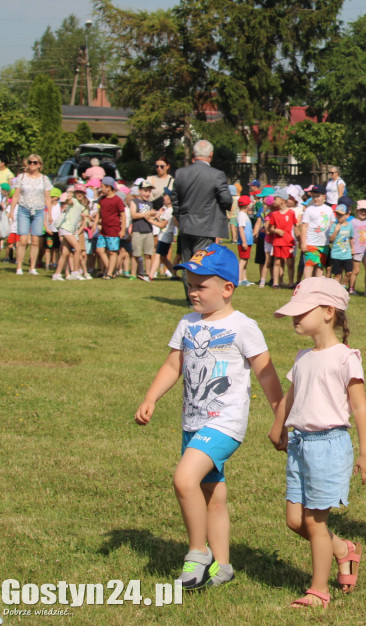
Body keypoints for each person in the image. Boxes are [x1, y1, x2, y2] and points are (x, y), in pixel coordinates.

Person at [134, 246, 285, 589]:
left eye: (201, 286)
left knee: (184, 479)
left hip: (224, 423)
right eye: (190, 283)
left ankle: (197, 554)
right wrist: (151, 397)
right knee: (211, 495)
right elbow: (174, 364)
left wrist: (281, 417)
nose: (192, 291)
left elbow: (266, 374)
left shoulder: (243, 326)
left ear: (227, 288)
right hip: (193, 421)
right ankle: (224, 567)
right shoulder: (187, 323)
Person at [271, 277, 366, 607]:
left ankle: (319, 591)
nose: (295, 318)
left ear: (329, 312)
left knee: (316, 523)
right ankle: (344, 550)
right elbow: (292, 395)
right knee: (294, 521)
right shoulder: (304, 357)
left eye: (302, 312)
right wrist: (279, 425)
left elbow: (359, 406)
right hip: (300, 445)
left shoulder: (345, 357)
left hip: (329, 446)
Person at [172, 140, 234, 301]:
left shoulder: (180, 173)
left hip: (185, 224)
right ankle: (199, 298)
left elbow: (175, 200)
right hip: (206, 226)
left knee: (187, 263)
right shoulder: (216, 175)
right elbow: (226, 200)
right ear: (211, 155)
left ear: (194, 155)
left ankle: (190, 298)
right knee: (200, 263)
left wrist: (180, 217)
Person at [8, 154, 52, 275]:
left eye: (35, 162)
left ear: (40, 165)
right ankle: (19, 267)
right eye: (30, 162)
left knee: (35, 240)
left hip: (38, 210)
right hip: (24, 209)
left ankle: (32, 267)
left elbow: (47, 198)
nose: (32, 164)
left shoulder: (44, 179)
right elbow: (16, 195)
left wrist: (50, 214)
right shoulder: (21, 177)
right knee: (22, 240)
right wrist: (11, 211)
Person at [94, 177, 127, 279]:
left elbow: (123, 215)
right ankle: (111, 270)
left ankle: (109, 273)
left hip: (113, 229)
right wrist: (95, 224)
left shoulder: (117, 200)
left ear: (109, 187)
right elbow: (99, 213)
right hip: (103, 230)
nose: (101, 188)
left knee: (112, 252)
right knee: (99, 250)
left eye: (103, 186)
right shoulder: (102, 200)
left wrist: (122, 230)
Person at [299, 186, 333, 280]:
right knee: (309, 264)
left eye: (318, 196)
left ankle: (317, 285)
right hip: (311, 242)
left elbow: (331, 224)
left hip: (324, 244)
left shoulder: (329, 209)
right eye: (313, 196)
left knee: (320, 266)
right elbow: (304, 226)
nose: (315, 199)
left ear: (324, 196)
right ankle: (307, 284)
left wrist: (332, 238)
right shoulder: (309, 209)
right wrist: (303, 242)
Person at [266, 190, 298, 288]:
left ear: (282, 200)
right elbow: (269, 229)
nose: (273, 201)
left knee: (290, 262)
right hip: (277, 242)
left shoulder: (291, 213)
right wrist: (276, 231)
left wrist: (299, 239)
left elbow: (296, 226)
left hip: (288, 241)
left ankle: (291, 283)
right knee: (277, 262)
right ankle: (276, 283)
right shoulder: (274, 214)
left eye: (275, 199)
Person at [128, 182, 158, 281]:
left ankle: (147, 274)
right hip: (138, 231)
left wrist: (155, 215)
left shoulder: (150, 204)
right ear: (139, 191)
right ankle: (133, 274)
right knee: (136, 254)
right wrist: (147, 214)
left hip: (148, 231)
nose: (147, 193)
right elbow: (134, 215)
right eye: (145, 191)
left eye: (149, 191)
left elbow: (150, 216)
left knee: (148, 254)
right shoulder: (134, 201)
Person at [349, 201, 366, 296]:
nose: (363, 213)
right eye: (361, 211)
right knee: (356, 271)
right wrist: (351, 248)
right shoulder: (353, 222)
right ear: (357, 211)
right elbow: (350, 236)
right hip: (357, 250)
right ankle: (351, 288)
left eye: (365, 211)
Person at [326, 205, 354, 285]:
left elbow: (351, 238)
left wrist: (352, 248)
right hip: (336, 254)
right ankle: (336, 290)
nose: (338, 217)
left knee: (349, 272)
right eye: (337, 214)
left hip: (347, 254)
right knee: (337, 275)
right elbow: (331, 239)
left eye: (341, 215)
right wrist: (336, 231)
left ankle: (343, 286)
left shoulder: (350, 225)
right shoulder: (335, 225)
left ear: (346, 215)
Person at [235, 195, 254, 286]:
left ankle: (244, 279)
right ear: (248, 205)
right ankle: (239, 279)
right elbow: (241, 229)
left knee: (245, 260)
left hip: (247, 241)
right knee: (242, 260)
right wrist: (244, 242)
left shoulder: (243, 215)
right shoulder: (242, 215)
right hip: (244, 242)